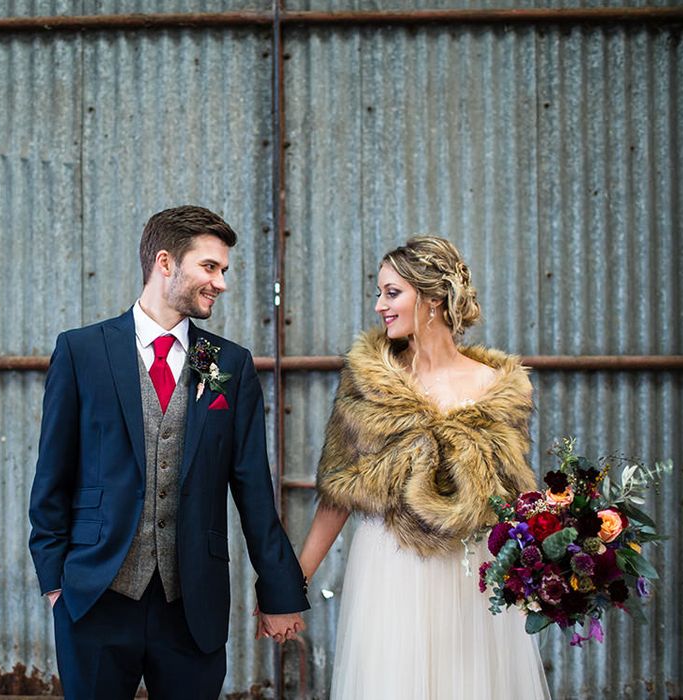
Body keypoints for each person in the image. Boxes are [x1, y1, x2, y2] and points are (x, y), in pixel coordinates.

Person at [28, 205, 308, 700]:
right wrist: (55, 583)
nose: (221, 282)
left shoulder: (221, 364)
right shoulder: (83, 351)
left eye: (223, 270)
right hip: (95, 598)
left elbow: (253, 488)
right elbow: (53, 474)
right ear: (165, 262)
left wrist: (279, 590)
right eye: (210, 267)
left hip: (191, 604)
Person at [299, 236, 551, 699]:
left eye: (392, 293)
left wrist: (563, 551)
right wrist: (294, 583)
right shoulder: (367, 382)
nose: (379, 306)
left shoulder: (500, 387)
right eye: (379, 293)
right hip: (390, 565)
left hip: (474, 570)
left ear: (433, 298)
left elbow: (514, 498)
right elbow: (339, 491)